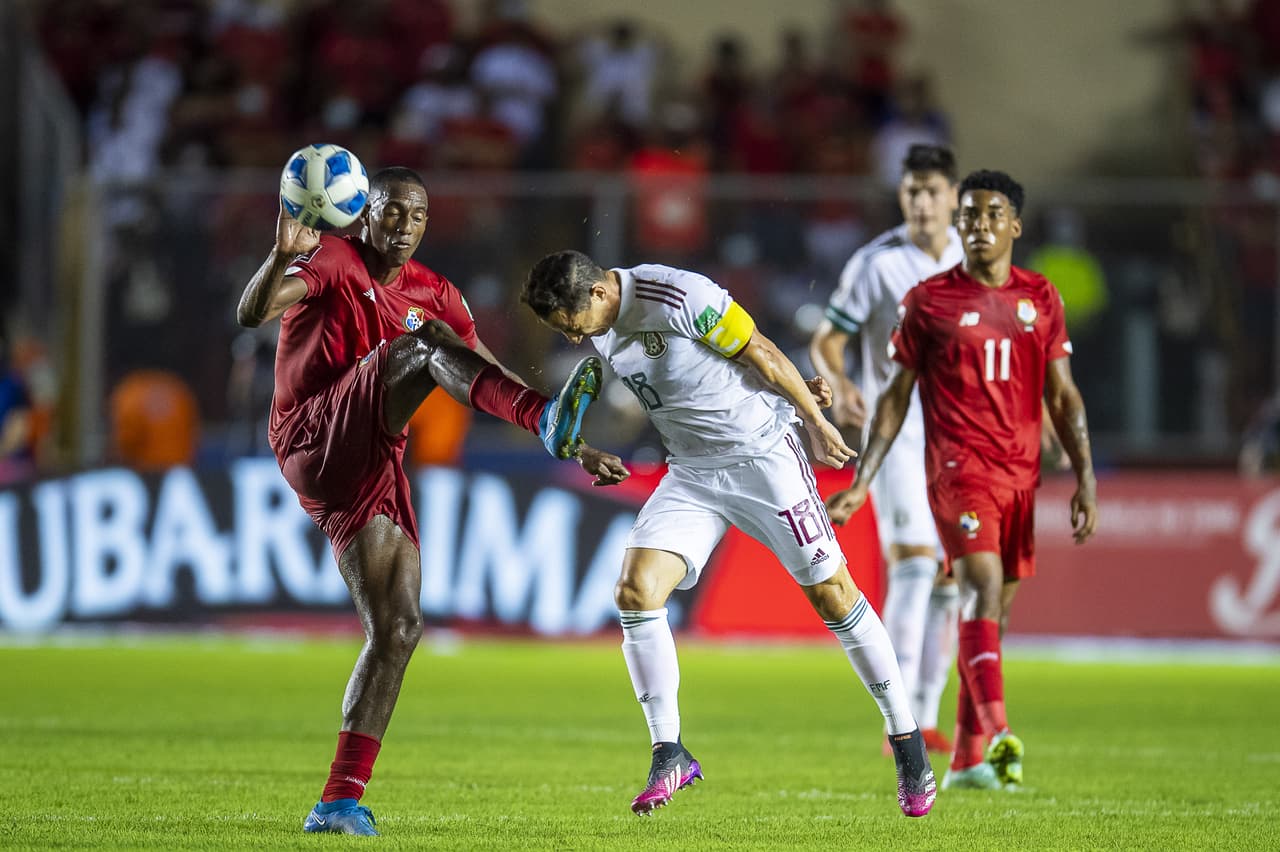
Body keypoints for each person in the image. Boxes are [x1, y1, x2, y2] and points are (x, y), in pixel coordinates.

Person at [236, 166, 628, 836]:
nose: (405, 226)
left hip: (370, 458)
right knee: (419, 349)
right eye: (393, 212)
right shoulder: (332, 257)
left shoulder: (434, 292)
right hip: (310, 431)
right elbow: (253, 313)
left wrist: (568, 441)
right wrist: (280, 253)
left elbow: (485, 369)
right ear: (365, 211)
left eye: (417, 216)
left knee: (398, 629)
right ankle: (545, 419)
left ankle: (336, 802)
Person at [521, 250, 937, 819]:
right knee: (635, 592)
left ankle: (907, 741)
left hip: (764, 458)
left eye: (571, 326)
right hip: (691, 474)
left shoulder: (677, 294)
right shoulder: (601, 328)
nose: (572, 339)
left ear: (596, 294)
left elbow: (759, 350)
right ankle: (669, 751)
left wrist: (813, 422)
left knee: (834, 596)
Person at [825, 170, 1099, 791]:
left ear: (1015, 226)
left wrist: (1085, 476)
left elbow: (1064, 394)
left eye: (991, 214)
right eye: (969, 215)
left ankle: (969, 758)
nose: (977, 226)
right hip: (956, 473)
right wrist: (864, 479)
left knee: (992, 616)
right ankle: (1000, 730)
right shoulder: (928, 301)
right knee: (975, 584)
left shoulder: (1042, 298)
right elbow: (894, 398)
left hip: (1019, 478)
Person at [809, 143, 963, 756]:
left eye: (932, 191)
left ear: (954, 196)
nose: (922, 202)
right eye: (911, 192)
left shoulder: (972, 257)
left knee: (953, 581)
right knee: (915, 562)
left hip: (961, 436)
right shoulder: (876, 262)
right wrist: (841, 382)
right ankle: (899, 721)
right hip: (896, 431)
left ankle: (927, 715)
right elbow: (827, 338)